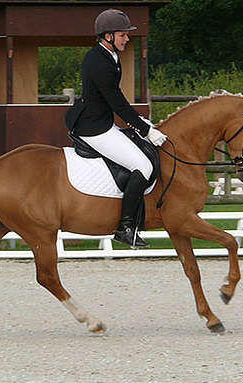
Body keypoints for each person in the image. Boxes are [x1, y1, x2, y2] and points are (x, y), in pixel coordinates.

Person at [73, 8, 167, 248]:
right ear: (108, 36)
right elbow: (117, 103)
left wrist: (140, 123)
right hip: (94, 127)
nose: (127, 39)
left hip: (102, 122)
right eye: (123, 35)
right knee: (143, 166)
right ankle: (125, 227)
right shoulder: (99, 62)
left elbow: (117, 100)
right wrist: (145, 130)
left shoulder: (109, 57)